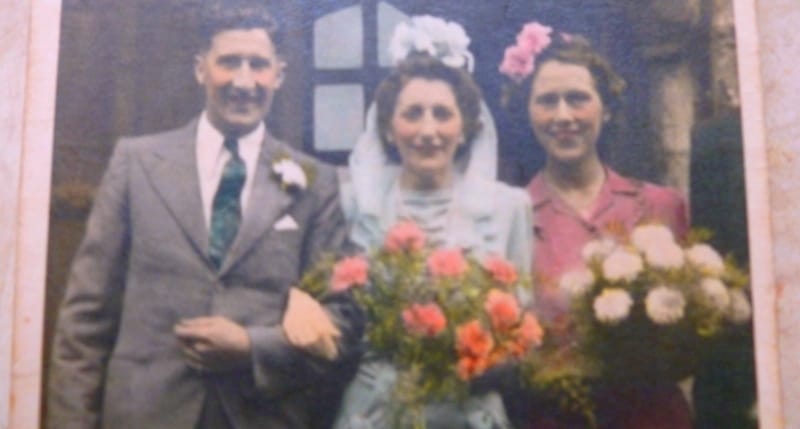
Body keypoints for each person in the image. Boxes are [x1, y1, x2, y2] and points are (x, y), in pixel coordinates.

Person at [47, 2, 363, 429]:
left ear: (280, 74)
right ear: (201, 69)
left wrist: (252, 347)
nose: (244, 81)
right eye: (229, 62)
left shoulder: (314, 183)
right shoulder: (137, 163)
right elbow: (86, 322)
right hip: (145, 415)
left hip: (259, 414)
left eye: (258, 65)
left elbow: (341, 324)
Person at [333, 16, 533, 429]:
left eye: (443, 114)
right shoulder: (355, 204)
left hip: (469, 409)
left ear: (465, 129)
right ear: (389, 129)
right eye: (412, 114)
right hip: (375, 412)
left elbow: (519, 331)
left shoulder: (509, 207)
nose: (428, 130)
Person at [498, 24, 691, 429]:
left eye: (578, 99)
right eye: (547, 101)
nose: (563, 116)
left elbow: (690, 339)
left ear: (606, 107)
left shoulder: (661, 206)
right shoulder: (507, 216)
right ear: (528, 113)